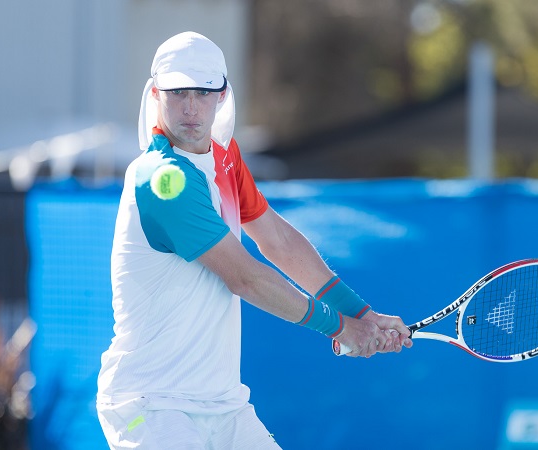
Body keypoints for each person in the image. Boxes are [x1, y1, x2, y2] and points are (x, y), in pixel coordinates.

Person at [96, 31, 413, 450]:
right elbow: (246, 279)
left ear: (222, 95)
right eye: (178, 94)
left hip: (224, 405)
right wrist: (341, 328)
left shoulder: (225, 159)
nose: (191, 108)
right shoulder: (163, 180)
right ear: (156, 94)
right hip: (152, 405)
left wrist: (362, 315)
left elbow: (278, 240)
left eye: (202, 93)